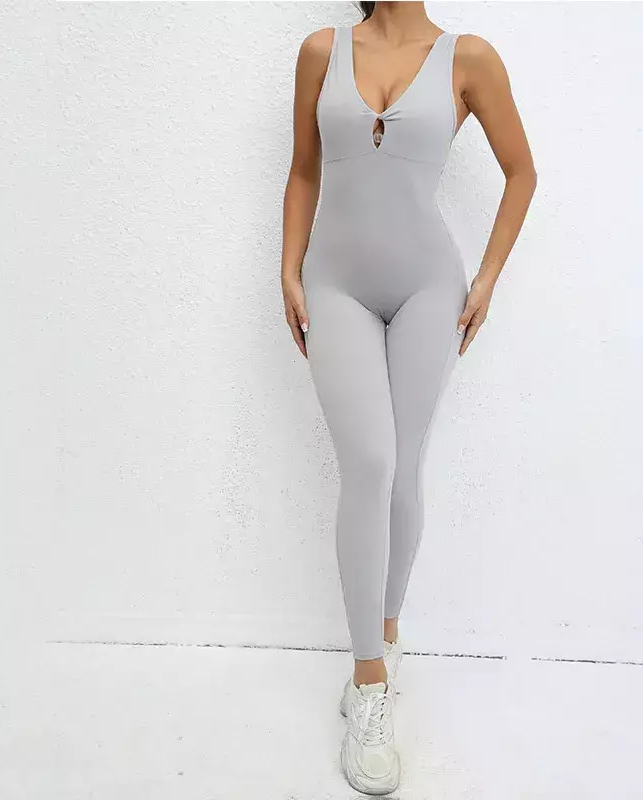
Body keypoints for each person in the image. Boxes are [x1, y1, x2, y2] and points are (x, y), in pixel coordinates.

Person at [280, 1, 536, 793]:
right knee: (369, 461)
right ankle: (368, 686)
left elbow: (522, 172)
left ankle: (386, 640)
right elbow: (304, 169)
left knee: (404, 467)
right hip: (337, 284)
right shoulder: (322, 50)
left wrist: (486, 280)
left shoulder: (470, 57)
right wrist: (287, 269)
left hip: (430, 286)